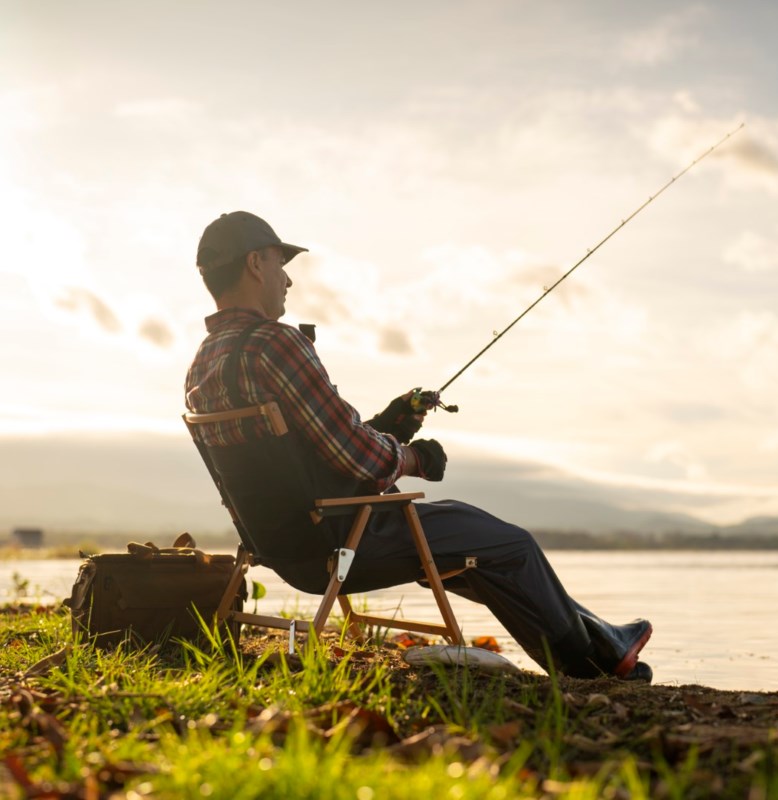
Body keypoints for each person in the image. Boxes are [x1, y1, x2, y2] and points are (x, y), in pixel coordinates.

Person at [185, 211, 652, 681]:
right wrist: (416, 458)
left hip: (282, 546)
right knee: (513, 545)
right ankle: (584, 668)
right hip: (344, 541)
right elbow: (355, 455)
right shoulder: (276, 344)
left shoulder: (203, 363)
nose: (287, 280)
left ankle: (602, 642)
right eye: (279, 262)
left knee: (479, 555)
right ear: (255, 264)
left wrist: (391, 424)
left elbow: (305, 456)